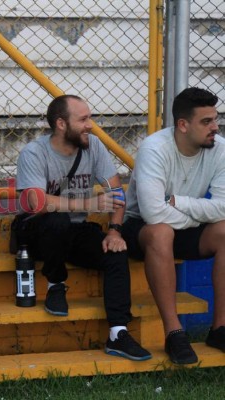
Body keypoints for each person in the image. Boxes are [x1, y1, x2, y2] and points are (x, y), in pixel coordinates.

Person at [15, 94, 151, 361]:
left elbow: (116, 194)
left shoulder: (94, 146)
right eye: (84, 119)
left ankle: (118, 333)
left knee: (115, 252)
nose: (91, 125)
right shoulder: (34, 152)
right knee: (56, 220)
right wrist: (89, 202)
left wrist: (114, 231)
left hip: (75, 230)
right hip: (36, 231)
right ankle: (56, 283)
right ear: (61, 124)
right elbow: (36, 203)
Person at [123, 87, 225, 364]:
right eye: (206, 121)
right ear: (183, 125)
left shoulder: (220, 148)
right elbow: (153, 212)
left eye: (215, 119)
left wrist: (179, 202)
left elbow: (223, 207)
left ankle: (220, 329)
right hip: (140, 228)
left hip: (184, 225)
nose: (215, 127)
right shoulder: (155, 148)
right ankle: (174, 333)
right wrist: (198, 215)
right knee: (161, 231)